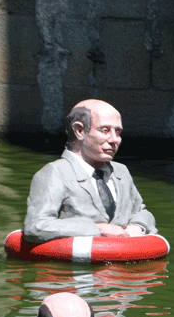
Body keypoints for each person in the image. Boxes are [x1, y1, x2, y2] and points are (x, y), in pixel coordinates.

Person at [23, 99, 157, 243]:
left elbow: (141, 211)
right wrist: (98, 229)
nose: (114, 139)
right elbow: (37, 226)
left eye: (118, 132)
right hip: (78, 262)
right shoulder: (54, 173)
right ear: (79, 131)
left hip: (123, 260)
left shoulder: (121, 171)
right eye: (105, 130)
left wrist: (138, 227)